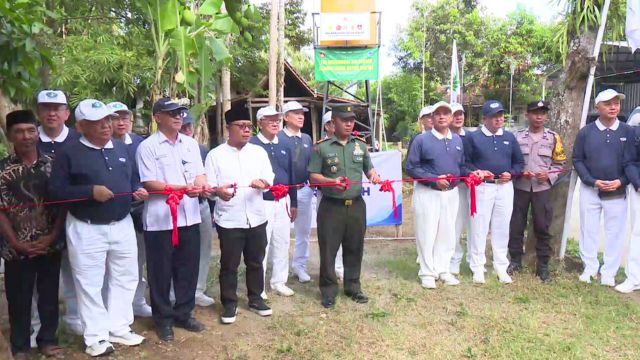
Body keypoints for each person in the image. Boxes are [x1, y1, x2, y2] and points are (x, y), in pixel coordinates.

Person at [49, 99, 148, 356]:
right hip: (87, 227)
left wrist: (138, 190)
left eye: (107, 120)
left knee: (126, 277)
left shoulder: (119, 148)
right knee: (89, 283)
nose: (106, 126)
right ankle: (96, 337)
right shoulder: (68, 153)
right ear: (81, 127)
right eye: (97, 123)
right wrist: (89, 192)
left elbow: (132, 178)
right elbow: (56, 192)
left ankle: (119, 326)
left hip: (122, 223)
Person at [136, 98, 210, 341]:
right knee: (160, 272)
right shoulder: (147, 147)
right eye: (171, 113)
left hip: (189, 217)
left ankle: (184, 313)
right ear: (157, 117)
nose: (178, 116)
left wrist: (201, 186)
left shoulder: (190, 144)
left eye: (180, 112)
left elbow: (199, 175)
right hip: (161, 220)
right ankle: (163, 319)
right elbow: (150, 184)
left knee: (187, 269)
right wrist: (182, 188)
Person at [0, 110, 65, 359]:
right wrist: (16, 242)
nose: (26, 136)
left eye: (30, 130)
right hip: (15, 247)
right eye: (19, 131)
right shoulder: (2, 169)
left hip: (50, 243)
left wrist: (52, 236)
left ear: (37, 133)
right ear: (10, 136)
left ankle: (48, 341)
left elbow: (63, 205)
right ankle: (20, 346)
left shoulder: (54, 165)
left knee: (49, 295)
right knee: (19, 297)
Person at [205, 106, 275, 324]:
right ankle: (229, 303)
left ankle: (256, 298)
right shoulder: (215, 155)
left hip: (256, 216)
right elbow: (209, 186)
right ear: (228, 128)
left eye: (249, 127)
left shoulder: (259, 152)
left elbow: (269, 178)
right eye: (241, 126)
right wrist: (219, 192)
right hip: (229, 219)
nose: (246, 130)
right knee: (229, 264)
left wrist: (262, 183)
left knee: (256, 260)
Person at [309, 104, 381, 308]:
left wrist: (374, 175)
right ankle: (329, 290)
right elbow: (313, 176)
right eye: (344, 120)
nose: (349, 124)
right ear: (333, 123)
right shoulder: (321, 147)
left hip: (357, 205)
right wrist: (331, 182)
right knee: (329, 249)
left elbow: (369, 169)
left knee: (355, 247)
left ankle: (353, 287)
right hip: (331, 206)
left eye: (351, 120)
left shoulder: (360, 145)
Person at [573, 89, 635, 286]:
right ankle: (589, 268)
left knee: (615, 233)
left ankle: (609, 272)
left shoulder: (628, 131)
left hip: (617, 191)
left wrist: (622, 181)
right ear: (597, 107)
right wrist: (591, 180)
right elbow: (578, 159)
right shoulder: (585, 132)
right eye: (608, 103)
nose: (613, 107)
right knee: (588, 230)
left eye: (616, 103)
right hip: (591, 190)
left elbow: (633, 161)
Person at [35, 90, 82, 337]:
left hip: (74, 215)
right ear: (39, 112)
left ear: (67, 113)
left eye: (57, 108)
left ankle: (75, 317)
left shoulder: (78, 139)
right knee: (39, 276)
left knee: (74, 268)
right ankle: (35, 326)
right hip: (38, 218)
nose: (51, 113)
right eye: (46, 108)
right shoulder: (29, 138)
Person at [406, 101, 466, 289]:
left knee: (447, 233)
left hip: (451, 194)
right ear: (431, 118)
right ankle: (427, 272)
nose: (441, 116)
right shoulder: (421, 140)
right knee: (427, 232)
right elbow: (410, 167)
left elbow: (461, 166)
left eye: (445, 113)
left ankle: (443, 269)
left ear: (450, 117)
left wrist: (469, 175)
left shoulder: (457, 140)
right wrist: (433, 179)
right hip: (428, 193)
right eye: (437, 113)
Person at [465, 100, 525, 284]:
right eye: (494, 116)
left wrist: (512, 173)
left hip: (504, 187)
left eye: (500, 115)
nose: (499, 119)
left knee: (501, 227)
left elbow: (519, 163)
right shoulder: (473, 137)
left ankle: (500, 266)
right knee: (479, 228)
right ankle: (477, 267)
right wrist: (477, 172)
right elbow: (465, 163)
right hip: (483, 187)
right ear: (484, 118)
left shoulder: (509, 137)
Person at [508, 101, 567, 283]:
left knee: (542, 226)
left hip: (542, 189)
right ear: (527, 115)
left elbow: (560, 163)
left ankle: (543, 266)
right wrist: (518, 172)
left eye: (542, 113)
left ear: (547, 116)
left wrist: (549, 176)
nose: (539, 116)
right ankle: (516, 261)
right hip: (520, 187)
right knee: (516, 225)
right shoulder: (516, 137)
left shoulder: (553, 138)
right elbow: (509, 160)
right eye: (535, 113)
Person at [107, 102, 152, 317]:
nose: (121, 122)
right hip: (112, 211)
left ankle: (137, 301)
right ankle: (109, 306)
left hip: (139, 208)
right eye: (116, 118)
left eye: (125, 117)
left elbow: (145, 173)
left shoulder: (140, 143)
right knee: (110, 264)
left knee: (138, 258)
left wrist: (141, 189)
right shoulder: (102, 144)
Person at [249, 106, 297, 298]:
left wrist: (294, 202)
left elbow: (291, 174)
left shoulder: (284, 144)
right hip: (262, 200)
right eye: (269, 119)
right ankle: (258, 286)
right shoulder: (252, 145)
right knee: (262, 243)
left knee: (282, 240)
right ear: (259, 123)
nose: (275, 123)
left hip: (283, 200)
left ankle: (279, 281)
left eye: (277, 119)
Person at [178, 109, 216, 307]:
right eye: (182, 127)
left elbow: (207, 177)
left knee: (203, 248)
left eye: (188, 126)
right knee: (178, 253)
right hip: (176, 206)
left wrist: (208, 193)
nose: (186, 130)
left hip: (200, 205)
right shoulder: (166, 148)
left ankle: (198, 290)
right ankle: (175, 292)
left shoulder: (201, 149)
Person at [279, 101, 314, 283]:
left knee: (304, 232)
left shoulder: (307, 138)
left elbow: (312, 166)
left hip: (304, 190)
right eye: (296, 113)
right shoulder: (278, 138)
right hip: (284, 193)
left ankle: (299, 267)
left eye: (302, 113)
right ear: (285, 117)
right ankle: (280, 271)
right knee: (282, 234)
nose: (301, 116)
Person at [618, 107, 640, 293]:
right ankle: (634, 277)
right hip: (639, 188)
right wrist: (637, 183)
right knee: (638, 233)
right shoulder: (636, 127)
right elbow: (630, 161)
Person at [320, 111, 344, 280]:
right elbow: (314, 173)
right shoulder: (320, 147)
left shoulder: (351, 144)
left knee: (345, 234)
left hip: (346, 198)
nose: (337, 125)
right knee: (329, 236)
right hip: (327, 197)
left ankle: (340, 268)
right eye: (333, 122)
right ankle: (328, 271)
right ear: (327, 126)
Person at [449, 103, 471, 275]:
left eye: (461, 114)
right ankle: (454, 258)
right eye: (455, 114)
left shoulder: (472, 137)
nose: (459, 117)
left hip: (471, 186)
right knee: (454, 224)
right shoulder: (444, 137)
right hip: (452, 187)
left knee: (473, 225)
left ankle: (473, 260)